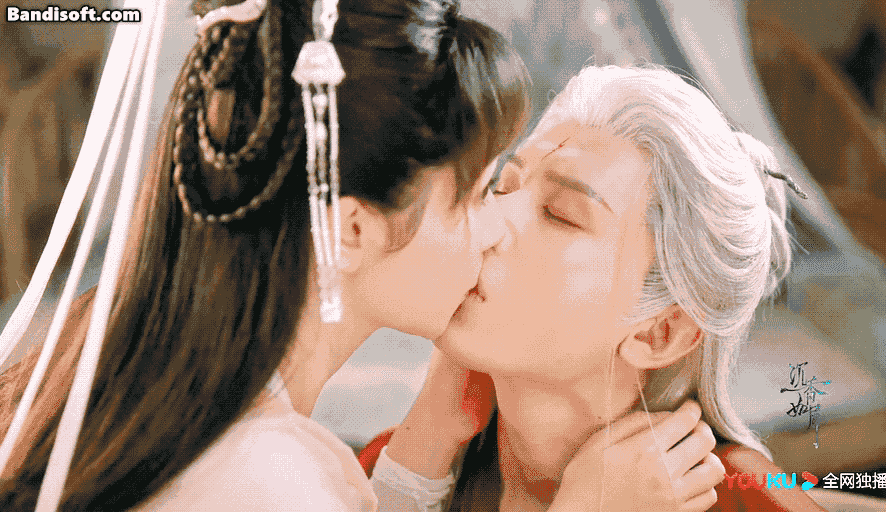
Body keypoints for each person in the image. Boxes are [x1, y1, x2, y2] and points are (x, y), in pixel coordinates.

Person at [0, 2, 716, 511]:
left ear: (664, 331)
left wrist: (423, 448)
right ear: (350, 229)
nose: (498, 227)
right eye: (478, 195)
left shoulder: (105, 361)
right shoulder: (268, 479)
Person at [359, 64, 824, 511]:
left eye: (560, 214)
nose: (490, 220)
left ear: (658, 333)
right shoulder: (405, 466)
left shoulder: (751, 500)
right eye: (502, 187)